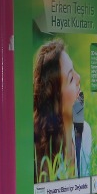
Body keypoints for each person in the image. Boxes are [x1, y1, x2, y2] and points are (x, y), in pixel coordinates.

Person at [32, 40, 92, 180]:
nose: (79, 78)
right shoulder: (39, 150)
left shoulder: (85, 133)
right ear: (56, 99)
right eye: (71, 79)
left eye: (74, 69)